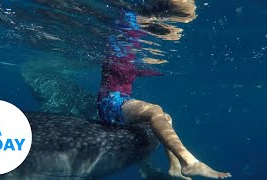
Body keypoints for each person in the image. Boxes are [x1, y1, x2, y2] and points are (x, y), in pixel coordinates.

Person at [96, 4, 232, 180]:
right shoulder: (125, 35)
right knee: (154, 110)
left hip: (121, 99)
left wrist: (154, 65)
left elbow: (133, 68)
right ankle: (190, 162)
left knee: (166, 118)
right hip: (108, 102)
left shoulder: (128, 55)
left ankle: (175, 166)